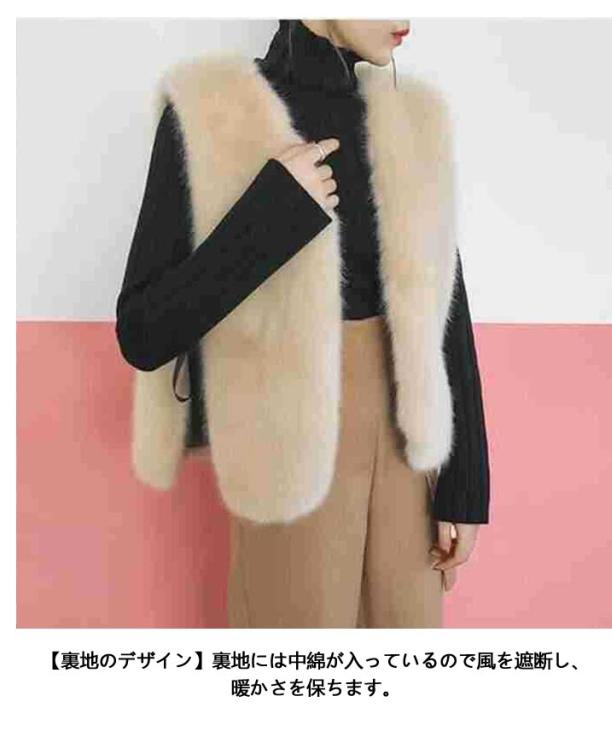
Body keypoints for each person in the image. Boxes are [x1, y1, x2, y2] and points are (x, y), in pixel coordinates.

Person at [115, 19, 491, 628]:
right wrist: (270, 217)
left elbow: (446, 304)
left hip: (411, 447)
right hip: (287, 439)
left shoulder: (410, 116)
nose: (408, 17)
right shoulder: (211, 110)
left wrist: (466, 485)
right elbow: (142, 331)